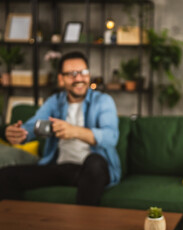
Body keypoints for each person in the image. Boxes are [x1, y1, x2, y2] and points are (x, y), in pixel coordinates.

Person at [0, 51, 120, 206]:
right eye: (71, 74)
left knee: (94, 162)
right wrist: (19, 133)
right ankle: (20, 225)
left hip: (92, 169)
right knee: (5, 176)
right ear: (61, 78)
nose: (78, 78)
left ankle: (83, 228)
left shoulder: (103, 101)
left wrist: (74, 131)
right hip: (62, 167)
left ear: (88, 75)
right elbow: (33, 125)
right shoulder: (54, 102)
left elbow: (111, 137)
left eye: (83, 72)